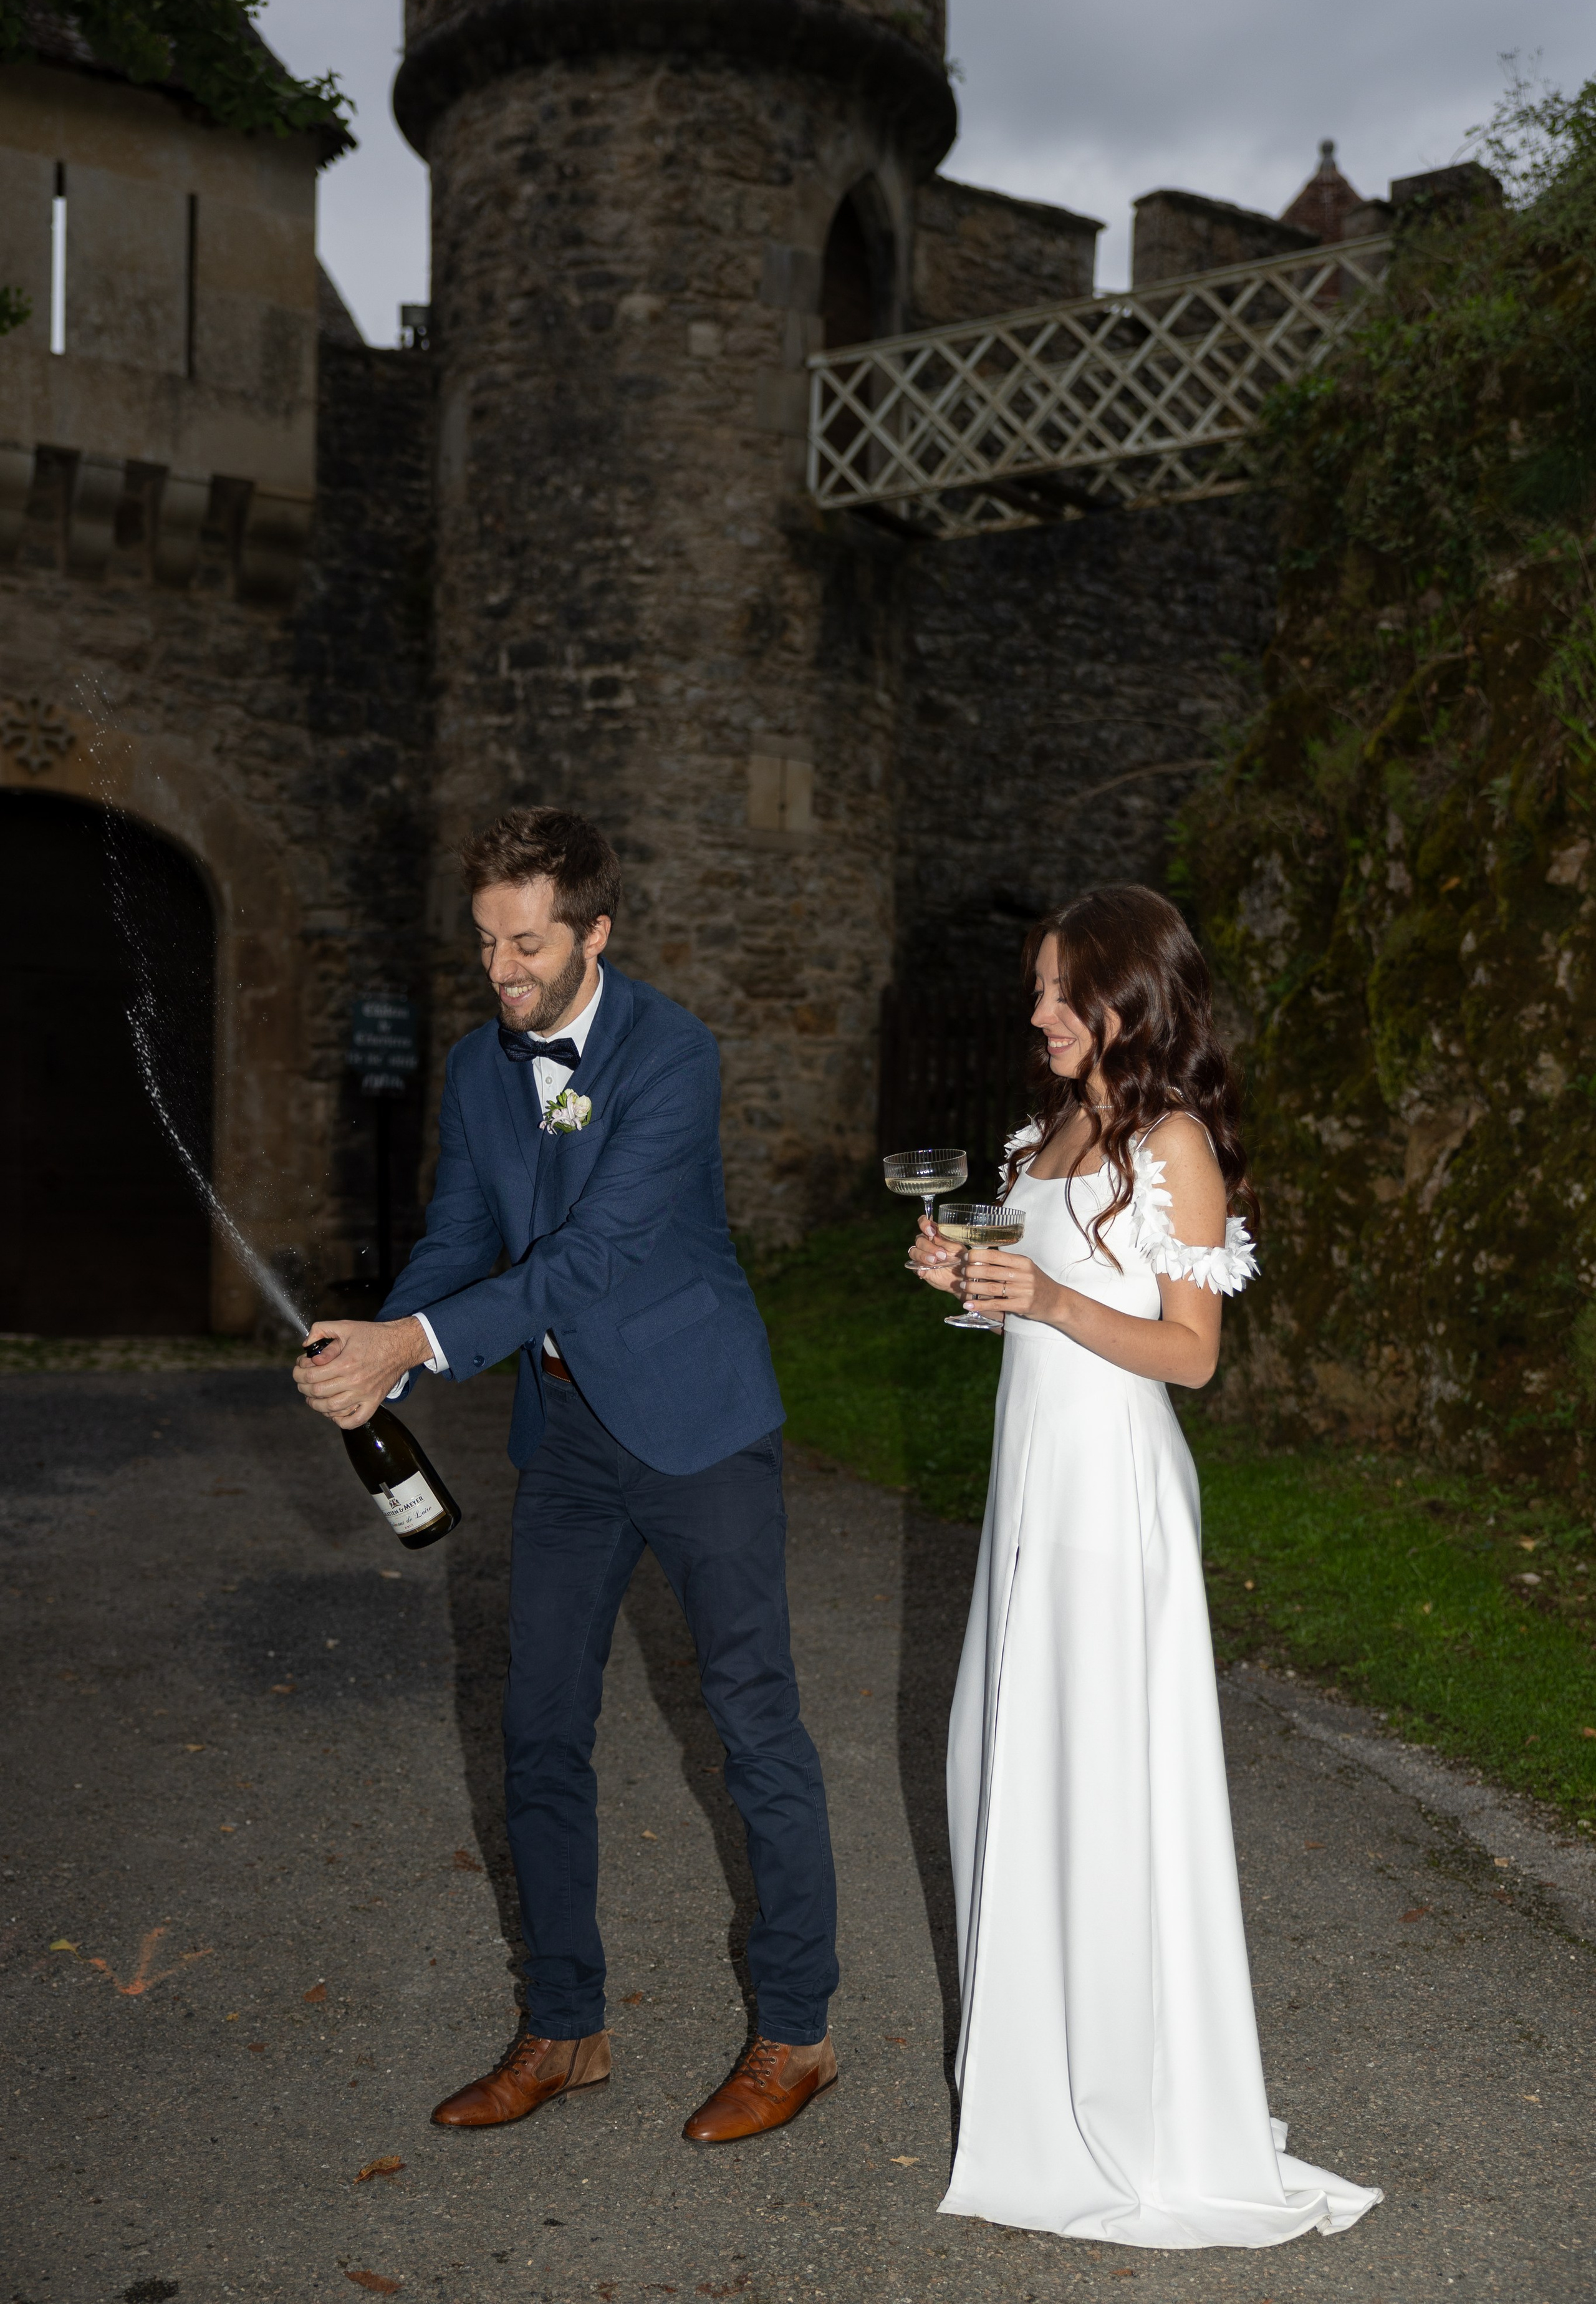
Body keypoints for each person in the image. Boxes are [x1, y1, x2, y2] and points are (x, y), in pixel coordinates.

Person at [294, 808, 839, 2144]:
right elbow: (464, 1234)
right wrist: (383, 1361)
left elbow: (591, 1255)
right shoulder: (480, 1071)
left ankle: (795, 2032)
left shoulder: (676, 1055)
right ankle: (564, 2026)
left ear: (596, 932)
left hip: (698, 1422)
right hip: (566, 1437)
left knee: (752, 1723)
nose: (500, 970)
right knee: (537, 1728)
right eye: (484, 943)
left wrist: (413, 1339)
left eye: (525, 943)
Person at [908, 885, 1381, 2249]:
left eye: (1064, 993)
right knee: (1012, 1766)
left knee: (1104, 1779)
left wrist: (1047, 1298)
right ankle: (1037, 2089)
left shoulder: (1172, 1142)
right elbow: (1035, 1310)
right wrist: (968, 1280)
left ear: (1131, 1001)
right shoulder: (1046, 1132)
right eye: (1039, 991)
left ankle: (1128, 2106)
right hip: (1030, 1484)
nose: (1040, 1015)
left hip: (1112, 1492)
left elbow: (1188, 1351)